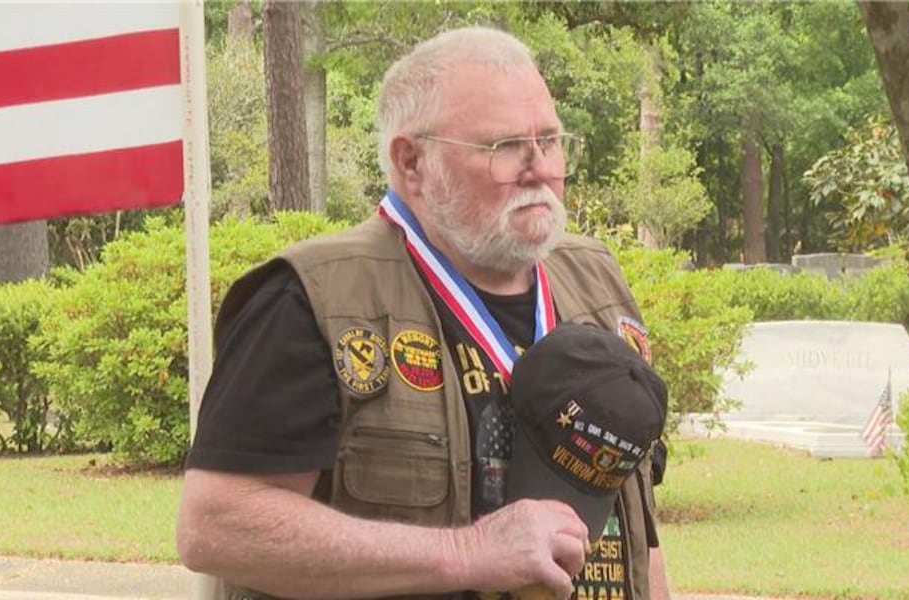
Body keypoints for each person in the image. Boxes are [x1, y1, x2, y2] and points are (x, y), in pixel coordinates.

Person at [176, 26, 670, 600]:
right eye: (505, 147)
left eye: (551, 141)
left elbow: (640, 525)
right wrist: (470, 554)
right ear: (412, 162)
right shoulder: (312, 299)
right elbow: (216, 527)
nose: (539, 169)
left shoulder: (598, 281)